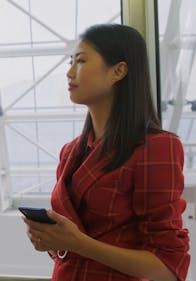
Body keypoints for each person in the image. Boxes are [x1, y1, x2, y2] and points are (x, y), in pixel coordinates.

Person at [22, 24, 190, 281]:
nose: (69, 72)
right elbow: (73, 245)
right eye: (70, 62)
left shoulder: (156, 148)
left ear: (119, 71)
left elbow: (168, 267)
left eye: (80, 61)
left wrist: (79, 244)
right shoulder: (70, 152)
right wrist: (53, 242)